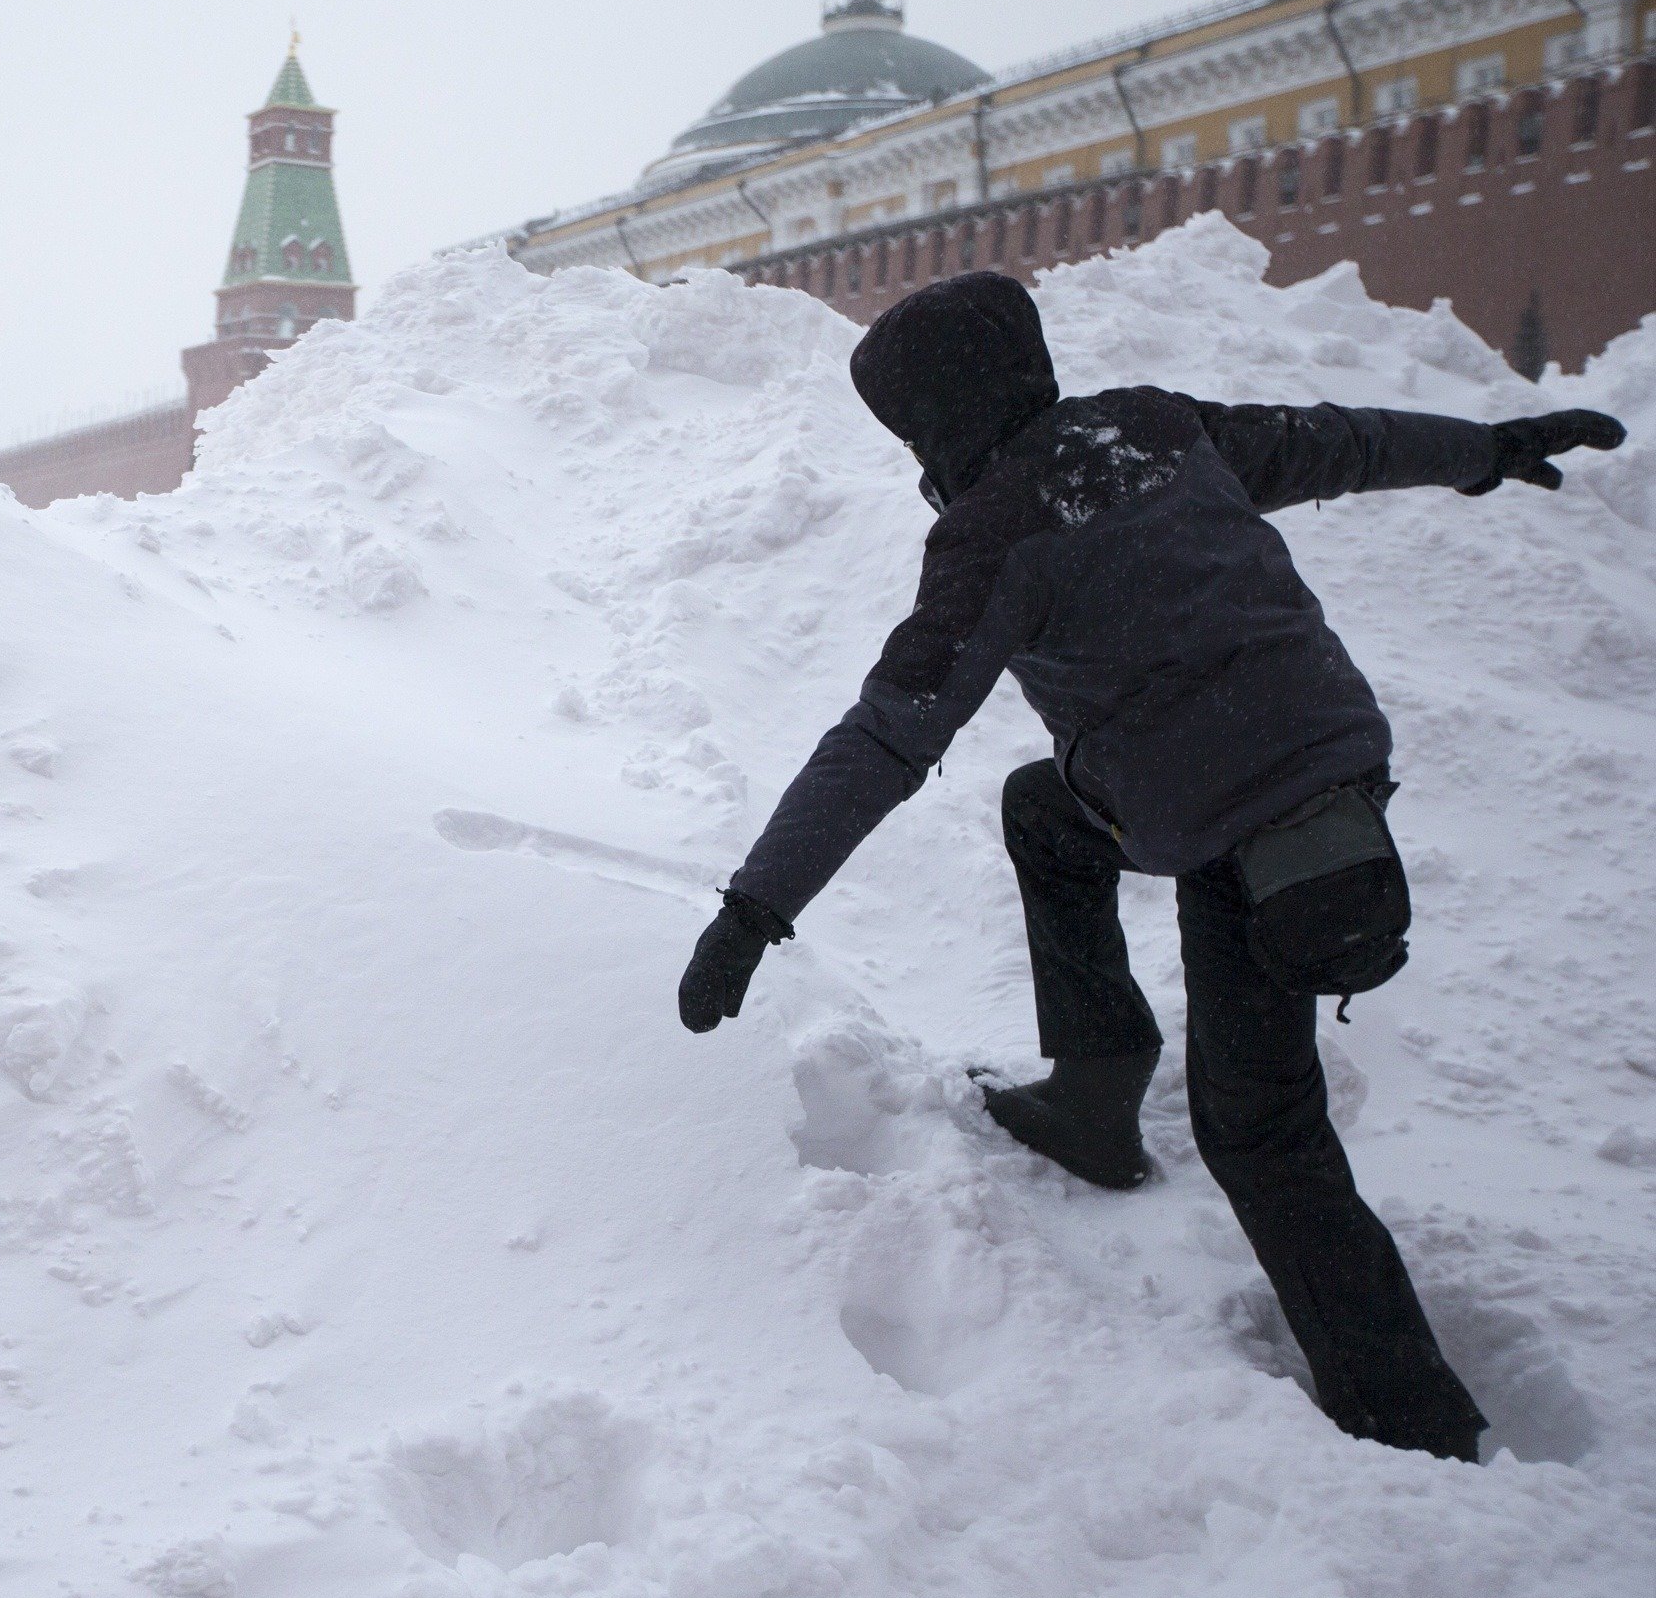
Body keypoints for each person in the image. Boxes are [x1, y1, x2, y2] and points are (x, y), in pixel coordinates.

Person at [675, 270, 1626, 1462]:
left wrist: (756, 906)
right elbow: (1336, 443)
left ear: (933, 419)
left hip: (1243, 825)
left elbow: (886, 734)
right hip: (1322, 757)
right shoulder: (1155, 428)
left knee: (1261, 1127)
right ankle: (1096, 1085)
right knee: (1045, 811)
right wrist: (1484, 446)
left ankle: (1408, 1413)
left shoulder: (993, 535)